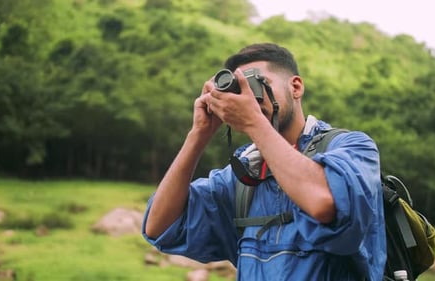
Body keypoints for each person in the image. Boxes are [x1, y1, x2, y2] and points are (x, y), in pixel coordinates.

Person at [142, 43, 386, 280]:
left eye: (259, 83)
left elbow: (326, 204)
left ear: (296, 87)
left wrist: (253, 122)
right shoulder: (243, 177)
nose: (250, 97)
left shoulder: (353, 147)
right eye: (241, 89)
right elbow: (159, 227)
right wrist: (198, 134)